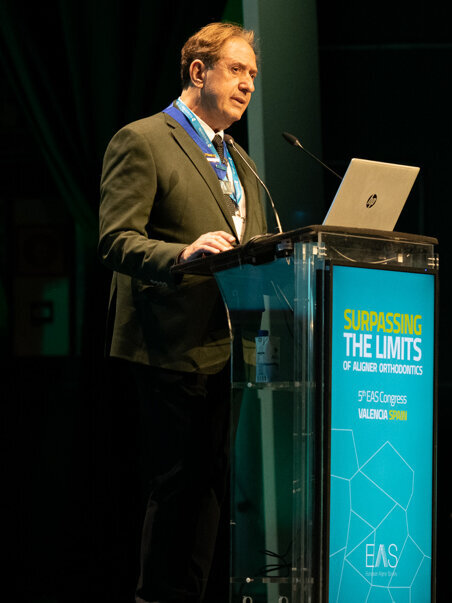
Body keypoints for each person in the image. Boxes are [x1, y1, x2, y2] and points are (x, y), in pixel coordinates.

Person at [98, 22, 267, 603]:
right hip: (167, 341)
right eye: (237, 70)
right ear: (199, 72)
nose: (248, 84)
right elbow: (116, 239)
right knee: (178, 487)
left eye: (253, 74)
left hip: (228, 346)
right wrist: (183, 253)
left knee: (210, 487)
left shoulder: (239, 160)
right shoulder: (143, 140)